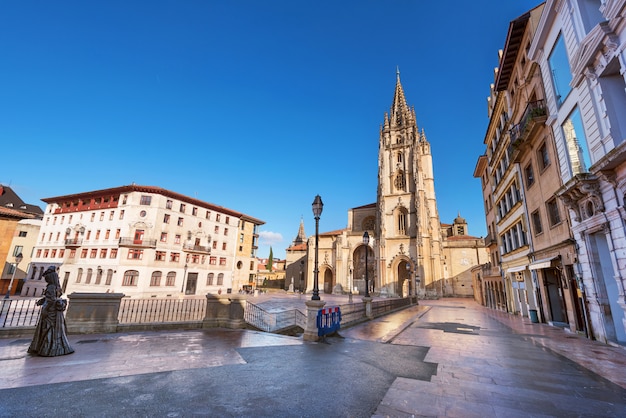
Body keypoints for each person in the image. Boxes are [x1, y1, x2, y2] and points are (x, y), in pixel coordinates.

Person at [28, 266, 74, 357]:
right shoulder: (57, 287)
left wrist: (45, 309)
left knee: (48, 329)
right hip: (57, 313)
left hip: (50, 312)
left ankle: (48, 349)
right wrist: (43, 300)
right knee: (55, 330)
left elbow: (51, 300)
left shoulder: (50, 287)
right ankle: (57, 348)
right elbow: (53, 298)